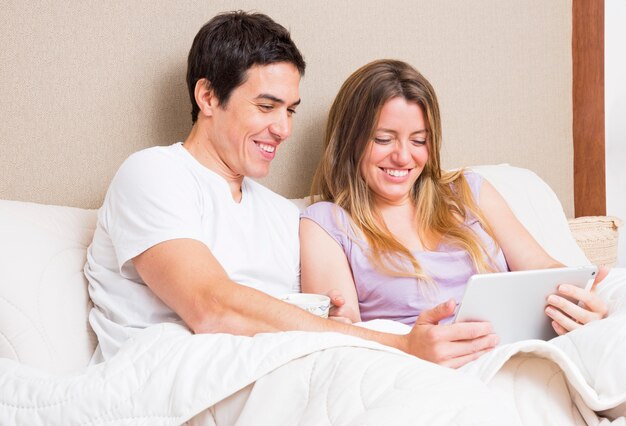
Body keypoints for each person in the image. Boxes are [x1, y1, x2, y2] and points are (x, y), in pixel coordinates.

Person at [84, 12, 497, 368]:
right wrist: (400, 346)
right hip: (168, 376)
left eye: (290, 110)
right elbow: (212, 307)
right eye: (267, 107)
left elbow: (307, 322)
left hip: (268, 374)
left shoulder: (283, 215)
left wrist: (336, 318)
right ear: (208, 96)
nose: (283, 129)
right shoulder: (154, 174)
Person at [300, 59, 609, 366]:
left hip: (520, 352)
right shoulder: (326, 223)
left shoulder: (468, 190)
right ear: (349, 141)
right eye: (383, 139)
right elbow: (344, 333)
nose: (403, 156)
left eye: (419, 140)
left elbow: (542, 267)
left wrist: (577, 294)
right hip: (431, 372)